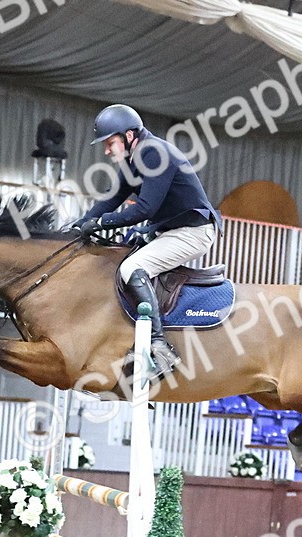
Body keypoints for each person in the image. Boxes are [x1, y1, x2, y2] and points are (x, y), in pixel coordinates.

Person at [70, 104, 222, 378]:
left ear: (129, 136)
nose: (106, 150)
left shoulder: (154, 153)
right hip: (170, 230)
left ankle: (160, 347)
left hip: (193, 232)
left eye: (109, 143)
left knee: (131, 269)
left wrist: (102, 223)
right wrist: (81, 223)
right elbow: (112, 197)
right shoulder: (134, 157)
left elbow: (145, 209)